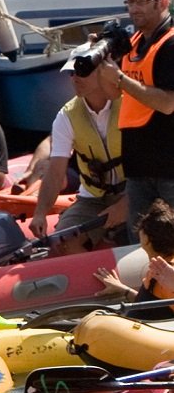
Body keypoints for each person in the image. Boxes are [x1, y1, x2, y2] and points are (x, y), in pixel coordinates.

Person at [32, 51, 127, 246]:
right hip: (93, 198)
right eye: (71, 73)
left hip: (135, 192)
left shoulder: (129, 103)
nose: (75, 78)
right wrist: (40, 213)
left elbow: (154, 169)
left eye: (81, 72)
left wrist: (126, 204)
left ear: (103, 72)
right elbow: (55, 173)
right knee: (62, 243)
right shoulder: (66, 117)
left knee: (144, 240)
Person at [112, 0, 174, 242]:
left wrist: (120, 78)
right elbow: (116, 93)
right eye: (130, 2)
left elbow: (167, 103)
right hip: (138, 165)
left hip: (169, 167)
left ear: (162, 3)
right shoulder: (134, 43)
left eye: (141, 1)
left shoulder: (170, 44)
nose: (133, 9)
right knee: (140, 244)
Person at [98, 199, 174, 305]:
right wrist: (123, 290)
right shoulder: (159, 268)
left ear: (147, 240)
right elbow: (149, 305)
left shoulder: (163, 274)